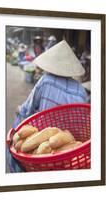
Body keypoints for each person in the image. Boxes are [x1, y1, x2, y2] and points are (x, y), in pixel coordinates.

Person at [9, 40, 89, 172]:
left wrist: (19, 111)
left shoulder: (46, 81)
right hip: (72, 144)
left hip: (45, 147)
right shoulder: (81, 91)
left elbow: (27, 109)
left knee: (16, 138)